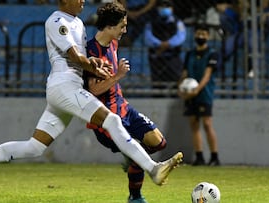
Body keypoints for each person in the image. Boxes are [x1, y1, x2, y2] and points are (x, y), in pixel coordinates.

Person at [0, 0, 183, 191]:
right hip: (65, 87)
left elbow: (83, 57)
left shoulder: (78, 23)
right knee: (111, 120)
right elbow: (74, 57)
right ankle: (153, 169)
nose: (83, 0)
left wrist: (93, 62)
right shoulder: (57, 21)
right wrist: (95, 67)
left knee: (35, 147)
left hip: (67, 89)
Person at [84, 2, 170, 202]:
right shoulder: (92, 51)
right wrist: (117, 76)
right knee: (139, 150)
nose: (125, 29)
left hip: (123, 107)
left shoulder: (112, 43)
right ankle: (135, 196)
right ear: (110, 26)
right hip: (105, 116)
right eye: (122, 25)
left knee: (159, 142)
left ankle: (133, 159)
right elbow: (94, 89)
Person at [178, 24, 220, 166]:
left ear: (208, 36)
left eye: (203, 34)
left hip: (204, 94)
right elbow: (185, 73)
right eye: (198, 33)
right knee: (194, 124)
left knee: (207, 124)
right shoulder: (190, 54)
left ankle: (214, 157)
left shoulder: (212, 54)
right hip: (190, 93)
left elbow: (207, 75)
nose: (201, 37)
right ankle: (199, 157)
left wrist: (196, 90)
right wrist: (181, 87)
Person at [144, 0, 186, 93]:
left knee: (175, 81)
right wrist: (159, 44)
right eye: (162, 6)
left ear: (172, 8)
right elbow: (148, 37)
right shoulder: (151, 22)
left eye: (167, 6)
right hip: (156, 57)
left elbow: (181, 36)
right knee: (157, 83)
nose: (164, 8)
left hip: (173, 56)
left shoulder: (177, 22)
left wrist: (168, 44)